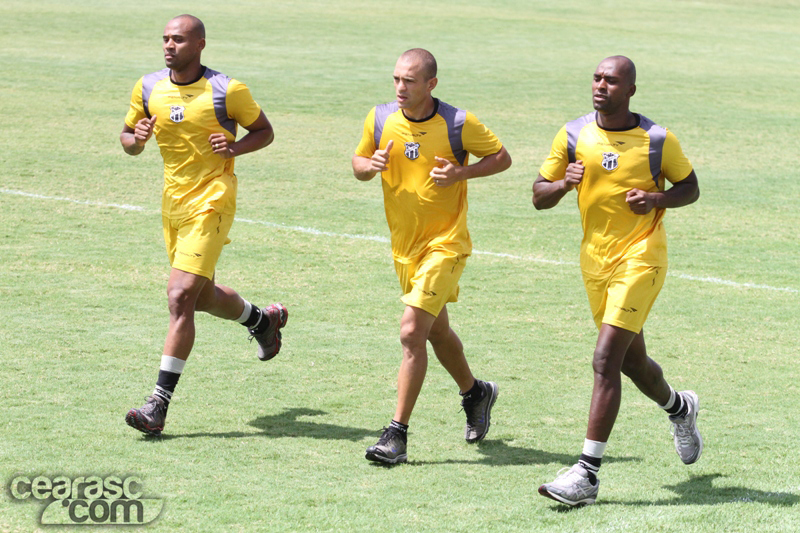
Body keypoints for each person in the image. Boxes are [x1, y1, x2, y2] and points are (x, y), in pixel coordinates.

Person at [532, 56, 703, 506]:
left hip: (641, 259)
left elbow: (690, 187)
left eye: (611, 80)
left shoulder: (657, 139)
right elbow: (538, 196)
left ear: (630, 90)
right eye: (597, 77)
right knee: (632, 364)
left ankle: (586, 474)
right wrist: (563, 184)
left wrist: (656, 198)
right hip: (595, 263)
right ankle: (679, 408)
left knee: (605, 359)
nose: (601, 85)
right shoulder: (572, 134)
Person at [120, 14, 287, 437]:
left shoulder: (226, 90)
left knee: (179, 296)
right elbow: (127, 139)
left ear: (200, 44)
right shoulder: (148, 86)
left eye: (178, 39)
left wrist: (235, 146)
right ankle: (260, 321)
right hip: (172, 202)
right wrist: (136, 140)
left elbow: (264, 132)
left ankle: (158, 405)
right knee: (199, 297)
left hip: (212, 200)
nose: (168, 45)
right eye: (165, 39)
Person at [352, 48, 512, 464]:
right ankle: (476, 392)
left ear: (431, 84)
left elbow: (501, 157)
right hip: (404, 249)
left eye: (409, 80)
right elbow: (358, 162)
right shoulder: (381, 118)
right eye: (396, 79)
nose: (400, 88)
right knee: (436, 332)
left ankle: (396, 436)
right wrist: (370, 165)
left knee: (411, 333)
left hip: (446, 244)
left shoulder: (458, 123)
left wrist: (462, 172)